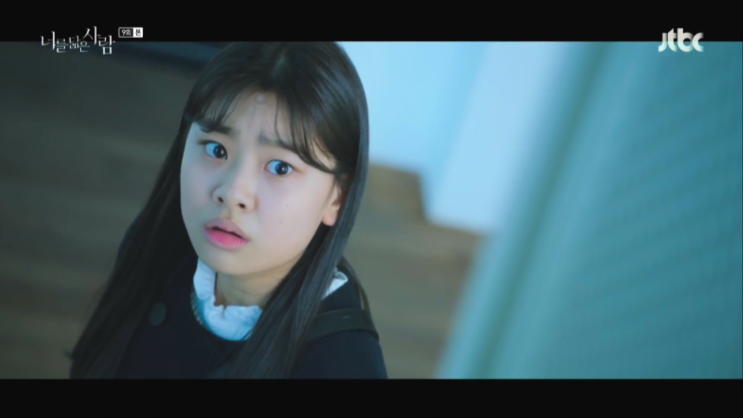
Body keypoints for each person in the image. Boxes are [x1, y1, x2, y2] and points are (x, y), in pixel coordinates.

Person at [68, 42, 387, 379]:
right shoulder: (152, 245)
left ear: (337, 198)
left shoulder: (345, 367)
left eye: (280, 168)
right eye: (217, 149)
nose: (233, 193)